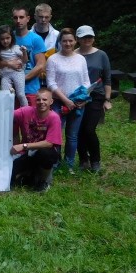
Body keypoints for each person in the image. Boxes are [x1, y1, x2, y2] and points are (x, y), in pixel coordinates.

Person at [46, 27, 91, 171]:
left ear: (75, 41)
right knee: (56, 135)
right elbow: (51, 83)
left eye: (70, 40)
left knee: (72, 136)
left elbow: (86, 81)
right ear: (60, 42)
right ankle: (55, 163)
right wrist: (65, 100)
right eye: (64, 41)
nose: (67, 43)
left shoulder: (81, 59)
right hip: (58, 102)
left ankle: (69, 164)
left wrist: (83, 98)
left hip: (78, 103)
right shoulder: (53, 59)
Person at [10, 88, 63, 193]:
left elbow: (49, 143)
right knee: (10, 175)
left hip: (43, 153)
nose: (41, 102)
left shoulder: (54, 118)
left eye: (45, 100)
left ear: (51, 102)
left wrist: (24, 145)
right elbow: (6, 113)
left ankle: (44, 181)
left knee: (46, 154)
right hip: (26, 154)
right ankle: (28, 175)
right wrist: (8, 96)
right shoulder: (25, 111)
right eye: (38, 100)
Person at [76, 25, 113, 172]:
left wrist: (107, 99)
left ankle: (95, 160)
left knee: (89, 129)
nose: (87, 40)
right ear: (78, 39)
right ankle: (83, 159)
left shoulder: (101, 55)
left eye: (90, 37)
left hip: (96, 96)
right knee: (78, 130)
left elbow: (107, 78)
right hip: (78, 96)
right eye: (84, 37)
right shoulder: (73, 54)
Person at [11, 6, 47, 106]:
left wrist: (21, 80)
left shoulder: (36, 39)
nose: (18, 20)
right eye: (15, 17)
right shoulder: (8, 38)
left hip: (30, 90)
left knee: (29, 121)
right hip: (11, 90)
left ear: (28, 18)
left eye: (21, 17)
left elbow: (40, 65)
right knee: (10, 120)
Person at [0, 25, 29, 106]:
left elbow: (25, 61)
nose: (5, 41)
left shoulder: (16, 48)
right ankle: (6, 114)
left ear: (12, 37)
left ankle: (26, 112)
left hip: (17, 73)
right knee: (4, 95)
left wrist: (24, 52)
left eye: (7, 38)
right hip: (5, 75)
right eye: (2, 39)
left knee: (21, 95)